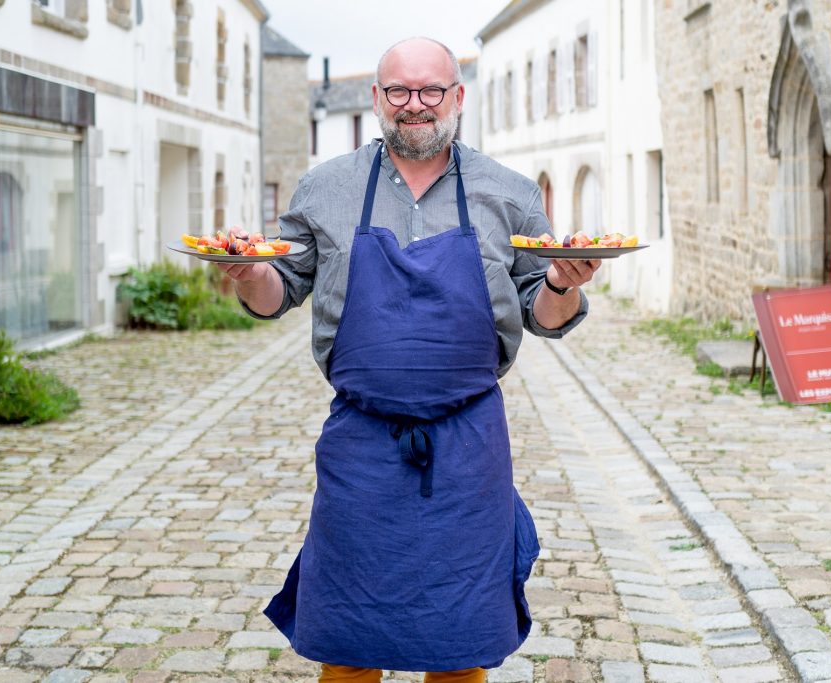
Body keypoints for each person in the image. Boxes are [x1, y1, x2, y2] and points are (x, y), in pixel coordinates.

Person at [218, 36, 601, 683]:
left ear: (457, 97)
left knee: (459, 638)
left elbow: (543, 313)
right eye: (399, 90)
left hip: (468, 449)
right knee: (348, 637)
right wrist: (248, 273)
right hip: (361, 448)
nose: (414, 104)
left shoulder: (507, 194)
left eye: (430, 90)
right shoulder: (325, 190)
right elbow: (280, 290)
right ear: (376, 99)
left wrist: (564, 281)